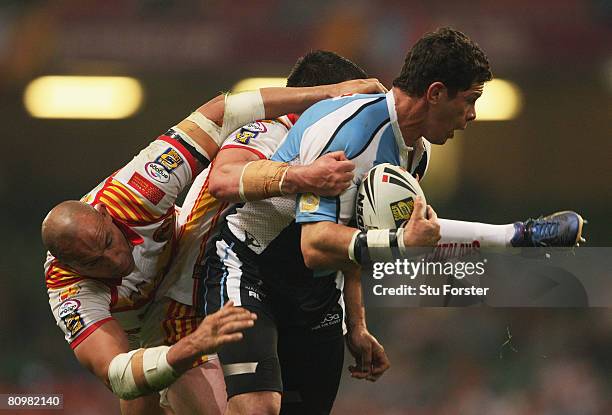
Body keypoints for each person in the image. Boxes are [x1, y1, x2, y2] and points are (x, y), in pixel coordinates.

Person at [201, 27, 585, 415]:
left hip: (315, 294)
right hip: (251, 270)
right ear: (435, 93)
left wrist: (357, 322)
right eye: (470, 100)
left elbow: (363, 231)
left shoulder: (416, 153)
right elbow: (315, 245)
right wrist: (401, 243)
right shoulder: (349, 131)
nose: (471, 115)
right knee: (258, 408)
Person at [42, 79, 386, 414]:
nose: (116, 259)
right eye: (94, 262)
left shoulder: (136, 189)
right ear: (70, 266)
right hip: (147, 332)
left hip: (192, 256)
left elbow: (220, 112)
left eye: (107, 241)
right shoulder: (67, 291)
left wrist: (329, 93)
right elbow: (116, 372)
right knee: (139, 395)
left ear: (104, 214)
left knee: (228, 177)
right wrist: (191, 346)